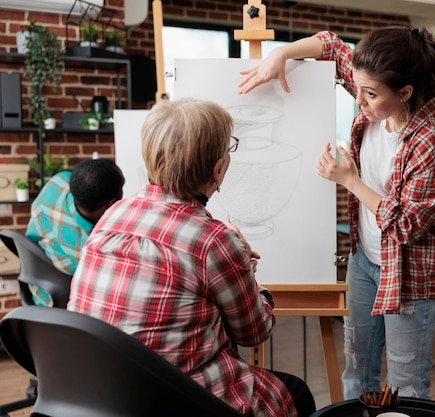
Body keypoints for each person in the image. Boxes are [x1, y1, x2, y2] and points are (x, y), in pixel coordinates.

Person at [239, 27, 435, 400]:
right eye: (356, 87)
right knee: (357, 369)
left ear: (405, 92)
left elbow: (406, 225)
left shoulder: (429, 141)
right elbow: (331, 44)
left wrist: (350, 180)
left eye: (370, 94)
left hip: (410, 275)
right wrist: (281, 54)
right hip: (364, 262)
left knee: (406, 381)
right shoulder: (374, 90)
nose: (358, 99)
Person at [67, 99, 316, 417]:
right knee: (296, 392)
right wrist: (244, 264)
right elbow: (254, 332)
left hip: (103, 395)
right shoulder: (213, 240)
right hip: (174, 401)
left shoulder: (114, 214)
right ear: (218, 169)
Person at [25, 158, 125, 306]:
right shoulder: (93, 249)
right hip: (62, 304)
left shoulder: (57, 182)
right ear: (112, 203)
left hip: (39, 288)